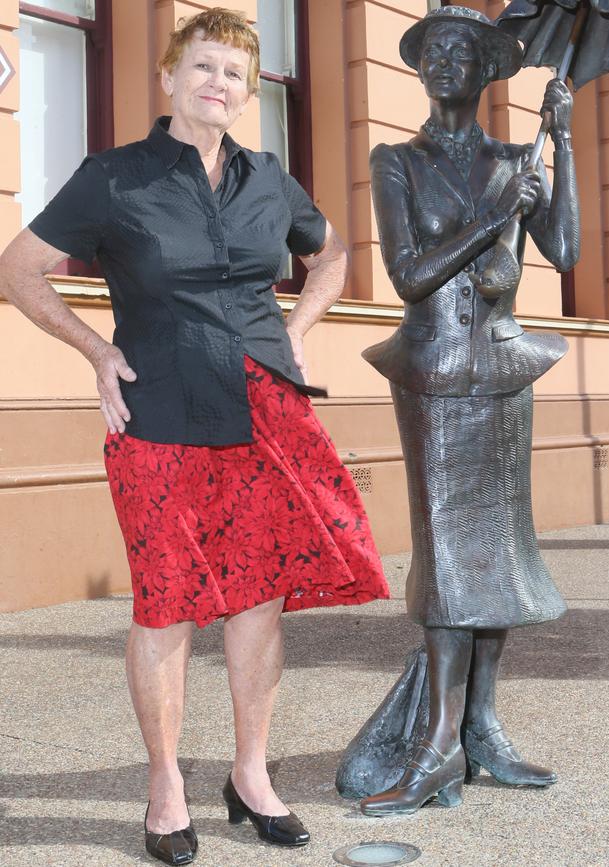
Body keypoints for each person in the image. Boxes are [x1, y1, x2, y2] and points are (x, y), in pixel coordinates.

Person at [0, 8, 389, 863]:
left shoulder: (268, 180)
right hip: (160, 416)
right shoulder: (114, 178)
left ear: (249, 95)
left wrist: (298, 328)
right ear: (170, 78)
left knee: (258, 598)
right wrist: (96, 350)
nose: (221, 83)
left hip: (264, 409)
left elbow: (329, 256)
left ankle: (251, 774)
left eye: (236, 75)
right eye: (205, 66)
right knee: (167, 601)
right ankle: (166, 784)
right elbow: (17, 270)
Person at [344, 6, 579, 815]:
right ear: (420, 69)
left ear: (486, 71)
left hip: (504, 373)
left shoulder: (520, 157)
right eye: (433, 50)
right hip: (435, 375)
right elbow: (408, 275)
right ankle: (438, 745)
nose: (445, 61)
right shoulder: (395, 161)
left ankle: (479, 728)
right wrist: (490, 218)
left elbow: (570, 251)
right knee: (449, 556)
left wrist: (564, 147)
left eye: (461, 52)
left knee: (499, 553)